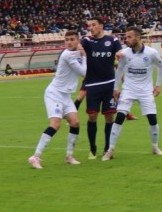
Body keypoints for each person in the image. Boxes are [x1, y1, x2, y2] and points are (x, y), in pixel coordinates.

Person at [103, 27, 162, 160]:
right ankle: (111, 150)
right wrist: (115, 88)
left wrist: (158, 85)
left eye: (129, 37)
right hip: (128, 90)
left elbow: (161, 66)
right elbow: (119, 70)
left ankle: (155, 146)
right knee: (119, 117)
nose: (127, 40)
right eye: (126, 37)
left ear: (138, 37)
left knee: (153, 120)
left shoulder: (151, 53)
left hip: (145, 91)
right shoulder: (125, 53)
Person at [27, 31, 86, 169]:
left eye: (72, 39)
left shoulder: (76, 52)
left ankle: (69, 156)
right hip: (54, 93)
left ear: (78, 41)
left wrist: (83, 52)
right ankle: (35, 156)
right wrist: (85, 56)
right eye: (67, 40)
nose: (69, 42)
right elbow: (84, 73)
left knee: (75, 122)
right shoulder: (67, 55)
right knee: (55, 124)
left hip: (65, 95)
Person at [78, 18, 123, 159]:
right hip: (92, 85)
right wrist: (80, 49)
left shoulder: (113, 40)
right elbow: (79, 45)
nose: (91, 27)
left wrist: (120, 54)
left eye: (94, 25)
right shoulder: (87, 41)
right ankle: (92, 148)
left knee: (110, 117)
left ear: (101, 26)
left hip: (109, 83)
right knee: (92, 116)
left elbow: (120, 53)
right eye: (89, 25)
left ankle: (107, 149)